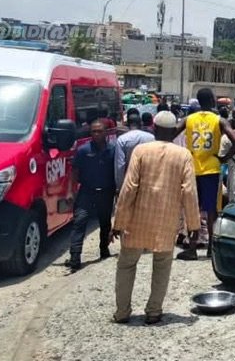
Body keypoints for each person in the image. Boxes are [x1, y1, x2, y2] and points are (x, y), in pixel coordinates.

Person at [111, 111, 200, 325]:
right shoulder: (183, 155)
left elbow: (129, 187)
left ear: (154, 129)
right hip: (166, 221)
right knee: (161, 266)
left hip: (136, 221)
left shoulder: (141, 151)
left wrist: (119, 222)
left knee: (126, 265)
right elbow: (189, 191)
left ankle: (122, 312)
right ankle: (153, 312)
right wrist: (193, 224)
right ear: (172, 131)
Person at [175, 88, 235, 260]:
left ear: (198, 101)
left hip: (192, 167)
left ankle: (191, 248)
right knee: (212, 209)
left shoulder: (188, 119)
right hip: (212, 168)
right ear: (212, 101)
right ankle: (211, 248)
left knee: (193, 208)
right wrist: (224, 158)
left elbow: (170, 134)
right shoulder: (219, 120)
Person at [66, 120, 117, 271]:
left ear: (106, 133)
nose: (96, 134)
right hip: (87, 192)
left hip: (106, 192)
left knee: (105, 223)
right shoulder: (83, 151)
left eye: (99, 131)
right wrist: (71, 191)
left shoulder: (113, 150)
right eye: (93, 131)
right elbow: (74, 172)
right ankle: (75, 257)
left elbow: (118, 171)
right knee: (79, 223)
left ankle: (104, 250)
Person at [114, 110, 156, 187]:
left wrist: (120, 186)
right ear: (141, 124)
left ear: (127, 124)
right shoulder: (151, 137)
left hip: (130, 181)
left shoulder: (122, 139)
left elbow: (120, 165)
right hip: (148, 180)